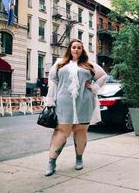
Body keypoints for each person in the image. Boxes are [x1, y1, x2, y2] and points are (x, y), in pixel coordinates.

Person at [44, 38, 107, 176]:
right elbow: (53, 81)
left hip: (84, 102)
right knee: (61, 131)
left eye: (79, 47)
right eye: (74, 47)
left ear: (82, 50)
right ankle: (51, 162)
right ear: (70, 49)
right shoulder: (59, 64)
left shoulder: (89, 65)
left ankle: (79, 159)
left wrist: (94, 87)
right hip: (63, 102)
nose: (76, 49)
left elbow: (103, 76)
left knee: (81, 131)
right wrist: (50, 99)